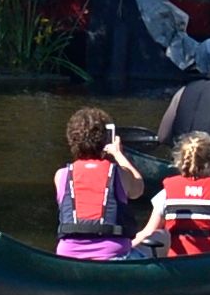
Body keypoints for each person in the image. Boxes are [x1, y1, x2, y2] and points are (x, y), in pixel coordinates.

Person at [54, 107, 148, 259]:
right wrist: (118, 154)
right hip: (114, 255)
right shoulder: (119, 174)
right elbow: (139, 188)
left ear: (72, 140)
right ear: (105, 140)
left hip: (69, 257)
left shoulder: (61, 176)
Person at [132, 132, 210, 257]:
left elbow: (148, 232)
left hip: (176, 263)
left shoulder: (166, 193)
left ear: (180, 160)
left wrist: (127, 248)